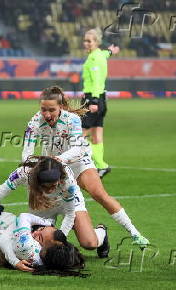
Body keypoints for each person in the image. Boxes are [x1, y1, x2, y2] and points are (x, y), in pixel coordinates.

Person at [22, 86, 149, 248]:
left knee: (99, 194)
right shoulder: (34, 121)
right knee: (38, 231)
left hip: (77, 163)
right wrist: (32, 168)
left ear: (61, 107)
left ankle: (134, 233)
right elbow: (26, 152)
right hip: (53, 170)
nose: (46, 114)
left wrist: (58, 159)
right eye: (43, 109)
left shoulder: (73, 120)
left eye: (51, 110)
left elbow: (77, 149)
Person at [0, 156, 110, 258]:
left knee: (89, 243)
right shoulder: (23, 173)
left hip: (67, 202)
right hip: (42, 203)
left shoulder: (67, 182)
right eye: (46, 187)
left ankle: (101, 232)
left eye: (54, 185)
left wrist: (60, 239)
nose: (51, 189)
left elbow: (69, 213)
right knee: (35, 244)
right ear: (37, 181)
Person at [81, 28, 120, 178]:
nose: (86, 43)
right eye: (85, 40)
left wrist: (93, 100)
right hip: (101, 99)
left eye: (89, 41)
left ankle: (94, 164)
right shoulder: (99, 55)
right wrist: (110, 52)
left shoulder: (94, 58)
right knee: (97, 135)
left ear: (97, 42)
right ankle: (101, 166)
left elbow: (97, 80)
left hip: (93, 99)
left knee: (79, 136)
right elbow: (104, 54)